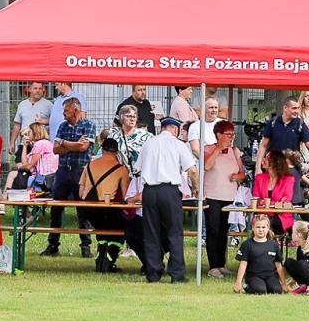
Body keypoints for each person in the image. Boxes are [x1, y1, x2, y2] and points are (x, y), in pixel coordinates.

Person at [137, 116, 197, 283]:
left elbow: (139, 168)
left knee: (151, 232)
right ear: (175, 129)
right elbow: (192, 170)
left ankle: (153, 272)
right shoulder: (178, 144)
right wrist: (196, 188)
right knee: (174, 232)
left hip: (149, 190)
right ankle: (177, 274)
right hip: (169, 191)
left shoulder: (148, 143)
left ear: (161, 128)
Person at [42, 97, 96, 259]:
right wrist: (72, 145)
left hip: (81, 172)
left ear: (75, 110)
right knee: (56, 207)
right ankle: (53, 244)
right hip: (63, 171)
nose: (63, 114)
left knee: (83, 209)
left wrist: (65, 143)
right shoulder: (63, 126)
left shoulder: (89, 125)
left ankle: (85, 246)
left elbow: (84, 147)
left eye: (66, 110)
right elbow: (56, 150)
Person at [199, 120, 246, 277]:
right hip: (212, 195)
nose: (231, 137)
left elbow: (242, 173)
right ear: (218, 135)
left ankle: (221, 263)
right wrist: (218, 149)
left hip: (229, 196)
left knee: (223, 230)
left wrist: (237, 176)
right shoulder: (207, 149)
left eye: (232, 134)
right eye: (228, 134)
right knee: (213, 229)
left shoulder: (235, 151)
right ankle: (213, 266)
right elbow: (206, 166)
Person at [79, 136, 131, 273]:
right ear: (117, 152)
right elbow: (126, 196)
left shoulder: (89, 166)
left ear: (101, 150)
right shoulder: (121, 169)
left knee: (103, 231)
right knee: (121, 230)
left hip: (88, 210)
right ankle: (109, 259)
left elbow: (80, 193)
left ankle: (100, 256)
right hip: (107, 209)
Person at [233, 215, 284, 294]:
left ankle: (270, 285)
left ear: (268, 228)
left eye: (263, 227)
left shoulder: (274, 245)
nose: (261, 230)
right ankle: (247, 286)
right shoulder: (247, 244)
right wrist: (238, 282)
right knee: (260, 290)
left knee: (276, 290)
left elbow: (278, 265)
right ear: (253, 228)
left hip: (271, 275)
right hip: (254, 276)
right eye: (258, 227)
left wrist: (284, 284)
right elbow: (243, 264)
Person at [252, 149, 297, 235]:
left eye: (267, 158)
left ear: (276, 162)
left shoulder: (288, 180)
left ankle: (268, 245)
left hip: (281, 217)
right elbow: (256, 199)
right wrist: (274, 204)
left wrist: (265, 203)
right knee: (261, 223)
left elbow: (286, 201)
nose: (263, 160)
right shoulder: (259, 178)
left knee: (268, 223)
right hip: (261, 215)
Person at [256, 97, 309, 167]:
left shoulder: (300, 124)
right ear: (285, 108)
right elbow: (263, 145)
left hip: (291, 167)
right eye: (294, 108)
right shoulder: (273, 122)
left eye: (298, 108)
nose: (297, 111)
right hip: (274, 167)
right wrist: (258, 167)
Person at [102, 105, 148, 176]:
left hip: (138, 177)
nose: (132, 119)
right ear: (121, 117)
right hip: (117, 175)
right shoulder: (113, 134)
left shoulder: (145, 136)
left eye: (134, 116)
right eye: (128, 116)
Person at [12, 82, 52, 159]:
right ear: (29, 89)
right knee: (21, 165)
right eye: (35, 88)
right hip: (25, 142)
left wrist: (44, 121)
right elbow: (17, 125)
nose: (38, 91)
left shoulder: (49, 105)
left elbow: (54, 122)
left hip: (40, 144)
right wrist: (12, 142)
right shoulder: (22, 104)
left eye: (40, 88)